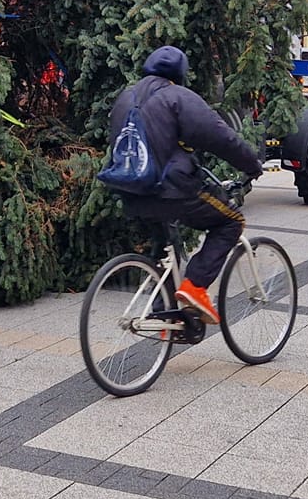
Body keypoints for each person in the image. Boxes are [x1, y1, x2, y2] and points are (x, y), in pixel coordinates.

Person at [105, 46, 265, 323]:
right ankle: (194, 287)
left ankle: (167, 319)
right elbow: (220, 137)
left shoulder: (125, 98)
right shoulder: (177, 96)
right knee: (230, 222)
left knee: (164, 252)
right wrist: (252, 165)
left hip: (130, 189)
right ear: (179, 74)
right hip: (171, 189)